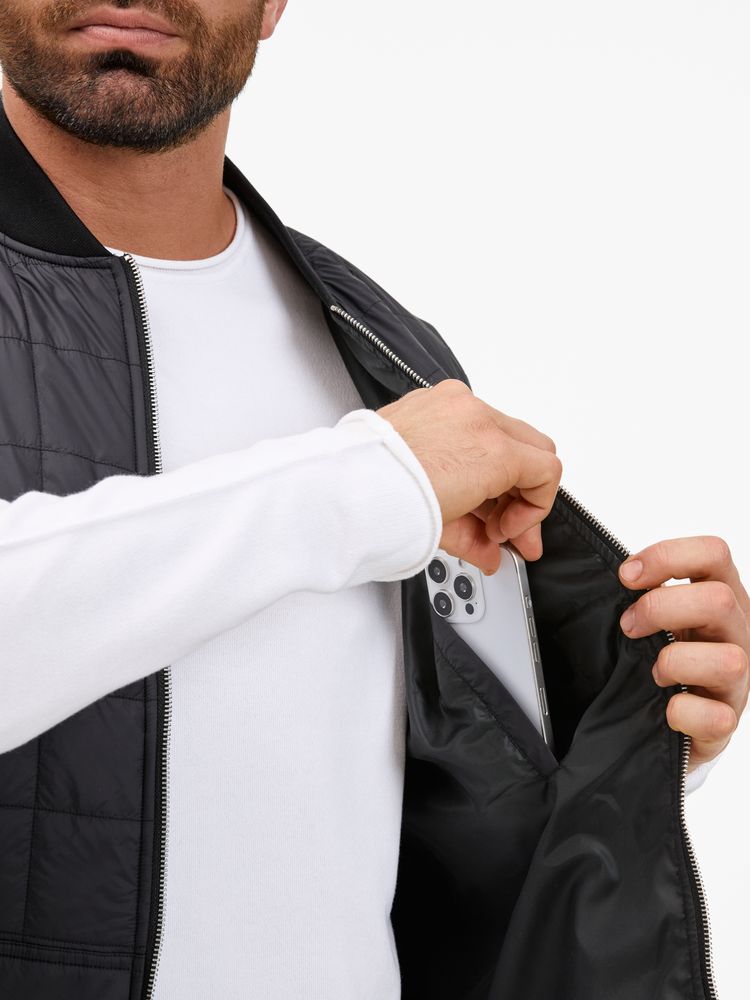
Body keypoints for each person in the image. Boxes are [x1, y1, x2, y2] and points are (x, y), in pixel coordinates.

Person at [0, 2, 746, 999]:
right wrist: (358, 487)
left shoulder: (381, 349)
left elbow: (440, 826)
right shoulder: (387, 452)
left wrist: (637, 735)